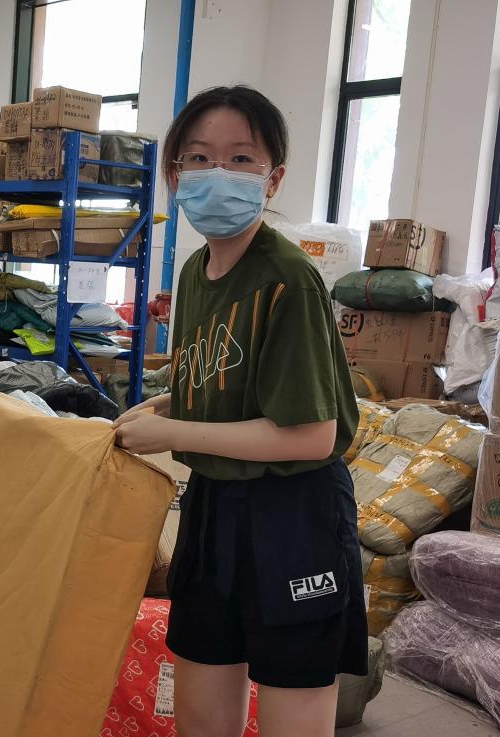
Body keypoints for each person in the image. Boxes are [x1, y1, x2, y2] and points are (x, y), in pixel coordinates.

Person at [114, 85, 367, 737]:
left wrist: (171, 431)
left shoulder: (287, 278)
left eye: (240, 158)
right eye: (198, 158)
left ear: (272, 178)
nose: (215, 173)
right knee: (200, 698)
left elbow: (310, 436)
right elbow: (227, 384)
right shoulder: (195, 273)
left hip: (294, 515)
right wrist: (170, 402)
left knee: (292, 704)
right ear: (175, 174)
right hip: (213, 504)